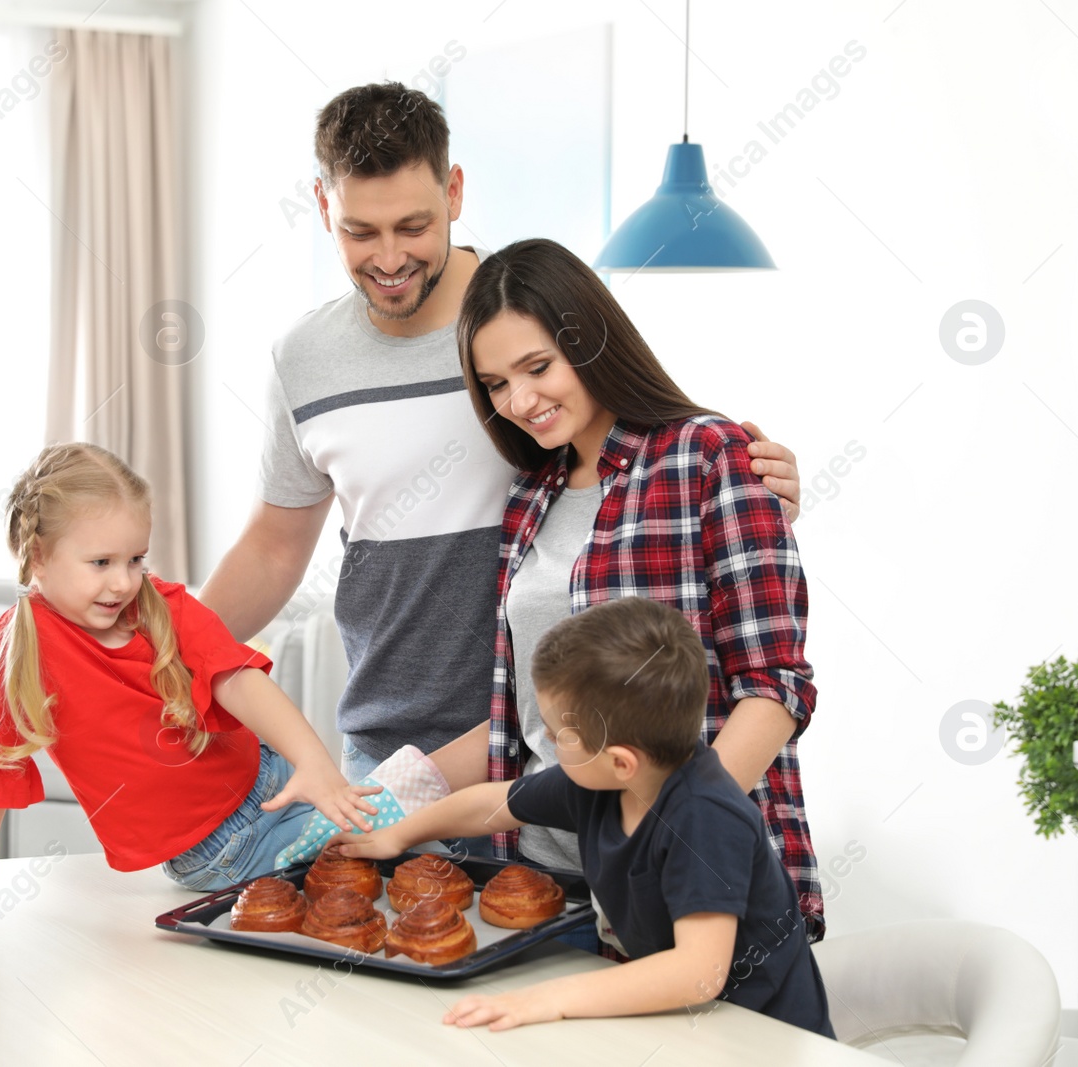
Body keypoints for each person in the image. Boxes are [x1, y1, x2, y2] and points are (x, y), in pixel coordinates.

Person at [197, 82, 803, 793]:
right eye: (360, 231)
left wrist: (748, 495)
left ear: (454, 192)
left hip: (543, 744)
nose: (389, 258)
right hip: (392, 749)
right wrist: (159, 654)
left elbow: (649, 454)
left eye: (413, 226)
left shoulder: (525, 316)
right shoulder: (302, 359)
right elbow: (273, 546)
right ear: (323, 206)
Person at [0, 442, 449, 913]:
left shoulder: (165, 606)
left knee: (421, 820)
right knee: (402, 844)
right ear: (38, 555)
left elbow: (238, 680)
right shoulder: (14, 651)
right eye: (101, 563)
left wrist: (315, 764)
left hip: (273, 780)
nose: (124, 582)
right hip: (223, 848)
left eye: (136, 559)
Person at [454, 237, 824, 941]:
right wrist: (384, 793)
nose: (521, 399)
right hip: (545, 878)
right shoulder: (529, 497)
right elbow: (523, 716)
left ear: (589, 341)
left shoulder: (709, 458)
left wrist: (670, 833)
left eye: (538, 366)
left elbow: (774, 688)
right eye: (497, 383)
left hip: (686, 880)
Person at [337, 597, 834, 1038]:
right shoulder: (597, 784)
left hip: (765, 1035)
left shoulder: (705, 818)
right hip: (685, 1027)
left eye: (560, 735)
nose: (548, 743)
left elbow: (698, 973)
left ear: (621, 760)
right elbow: (491, 805)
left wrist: (551, 999)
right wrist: (396, 834)